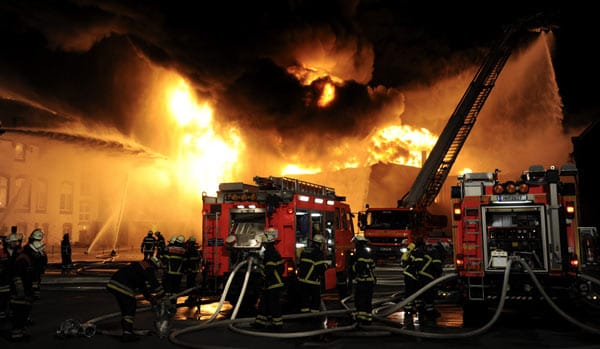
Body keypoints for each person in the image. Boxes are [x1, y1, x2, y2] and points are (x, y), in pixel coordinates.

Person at [106, 256, 165, 342]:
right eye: (156, 269)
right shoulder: (148, 268)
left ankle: (127, 331)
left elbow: (142, 286)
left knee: (126, 309)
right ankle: (127, 334)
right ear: (154, 265)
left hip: (114, 284)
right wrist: (163, 295)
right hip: (122, 286)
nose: (155, 271)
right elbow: (154, 283)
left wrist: (149, 298)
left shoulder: (140, 266)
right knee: (130, 307)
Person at [8, 234, 46, 341]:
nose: (39, 254)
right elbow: (17, 276)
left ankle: (21, 332)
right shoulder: (23, 259)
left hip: (27, 290)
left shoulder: (30, 258)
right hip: (20, 292)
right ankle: (16, 334)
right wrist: (20, 291)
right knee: (19, 313)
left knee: (24, 312)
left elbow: (32, 275)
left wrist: (33, 290)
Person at [252, 233, 285, 331]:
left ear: (266, 243)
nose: (263, 245)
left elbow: (268, 270)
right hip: (270, 283)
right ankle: (260, 323)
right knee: (264, 303)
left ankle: (278, 325)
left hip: (273, 283)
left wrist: (259, 269)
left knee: (273, 305)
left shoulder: (270, 253)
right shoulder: (272, 252)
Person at [297, 233, 327, 319]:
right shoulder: (318, 253)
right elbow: (320, 268)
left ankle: (304, 317)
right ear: (320, 244)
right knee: (315, 299)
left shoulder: (305, 250)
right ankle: (314, 317)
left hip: (302, 280)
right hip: (312, 281)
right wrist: (326, 266)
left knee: (304, 299)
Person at [418, 241, 446, 326]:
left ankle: (424, 310)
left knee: (425, 293)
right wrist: (440, 275)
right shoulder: (436, 253)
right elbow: (437, 266)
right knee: (429, 294)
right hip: (427, 275)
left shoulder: (431, 251)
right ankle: (430, 313)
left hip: (423, 274)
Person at [400, 237, 426, 329]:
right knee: (412, 294)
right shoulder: (419, 253)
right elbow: (418, 266)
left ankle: (411, 311)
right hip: (412, 276)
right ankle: (411, 311)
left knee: (413, 294)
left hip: (409, 275)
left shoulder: (413, 251)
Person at [351, 235, 376, 326]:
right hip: (370, 280)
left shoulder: (359, 252)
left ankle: (361, 319)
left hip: (362, 280)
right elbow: (373, 265)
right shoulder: (367, 252)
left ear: (358, 243)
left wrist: (353, 269)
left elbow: (359, 267)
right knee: (367, 300)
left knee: (360, 300)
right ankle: (368, 319)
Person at [162, 235, 187, 304]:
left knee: (168, 289)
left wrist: (164, 267)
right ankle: (173, 303)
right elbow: (185, 262)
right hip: (178, 274)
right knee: (175, 289)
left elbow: (165, 259)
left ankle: (166, 303)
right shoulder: (184, 251)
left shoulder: (170, 249)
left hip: (169, 272)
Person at [183, 236, 202, 305]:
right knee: (193, 282)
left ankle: (191, 296)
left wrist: (185, 269)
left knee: (190, 283)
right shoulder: (197, 251)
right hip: (195, 270)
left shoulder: (188, 251)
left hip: (190, 270)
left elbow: (185, 261)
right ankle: (194, 295)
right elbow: (199, 259)